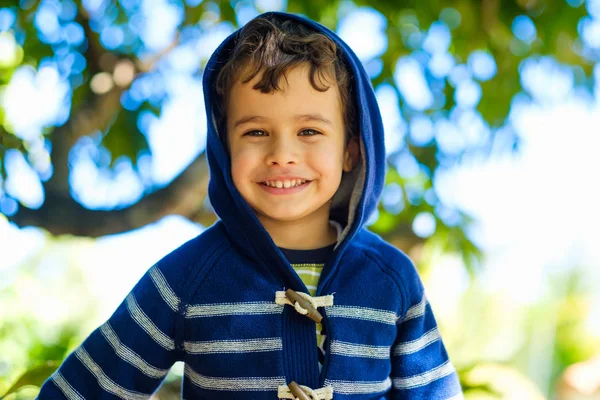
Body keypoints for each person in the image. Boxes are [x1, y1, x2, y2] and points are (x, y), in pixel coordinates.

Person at [38, 11, 463, 400]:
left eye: (310, 131)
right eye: (256, 132)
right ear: (225, 148)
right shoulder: (185, 278)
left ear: (352, 150)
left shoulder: (393, 281)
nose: (282, 154)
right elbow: (83, 390)